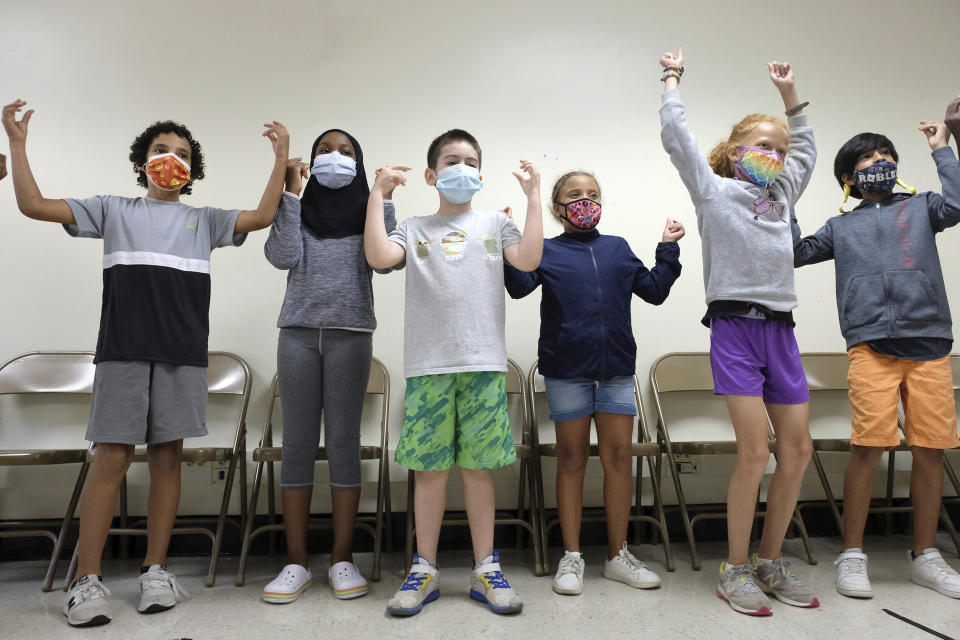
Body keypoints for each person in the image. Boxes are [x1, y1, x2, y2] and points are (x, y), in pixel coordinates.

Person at [2, 98, 289, 627]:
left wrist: (280, 160)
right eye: (160, 150)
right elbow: (34, 205)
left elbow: (263, 216)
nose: (170, 160)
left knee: (167, 458)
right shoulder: (113, 210)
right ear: (142, 162)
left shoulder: (204, 220)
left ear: (192, 171)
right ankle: (85, 579)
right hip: (123, 351)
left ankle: (155, 571)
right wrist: (18, 146)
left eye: (181, 154)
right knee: (110, 456)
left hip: (181, 354)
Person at [658, 51, 819, 615]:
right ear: (733, 153)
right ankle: (735, 569)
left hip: (782, 331)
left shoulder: (781, 197)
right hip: (734, 329)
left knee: (796, 451)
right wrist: (672, 79)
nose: (774, 155)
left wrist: (790, 95)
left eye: (779, 148)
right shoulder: (713, 191)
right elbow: (677, 138)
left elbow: (808, 151)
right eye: (762, 145)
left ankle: (772, 560)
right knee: (756, 452)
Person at [364, 128, 543, 616]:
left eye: (469, 161)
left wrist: (532, 198)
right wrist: (378, 196)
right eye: (450, 160)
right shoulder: (416, 226)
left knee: (480, 471)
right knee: (430, 473)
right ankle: (424, 568)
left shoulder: (493, 222)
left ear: (480, 175)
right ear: (431, 174)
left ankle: (486, 568)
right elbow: (379, 256)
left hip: (483, 364)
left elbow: (529, 259)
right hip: (429, 367)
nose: (460, 168)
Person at [793, 107, 960, 600]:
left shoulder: (923, 206)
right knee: (868, 447)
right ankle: (852, 554)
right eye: (868, 159)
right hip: (870, 344)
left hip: (929, 344)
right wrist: (785, 193)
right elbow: (793, 251)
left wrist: (942, 150)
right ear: (849, 177)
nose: (879, 163)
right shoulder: (841, 227)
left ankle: (926, 555)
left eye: (886, 155)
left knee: (930, 450)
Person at [504, 170, 683, 595]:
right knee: (571, 460)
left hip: (617, 370)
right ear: (557, 207)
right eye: (574, 194)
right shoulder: (545, 250)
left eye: (593, 194)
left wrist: (668, 248)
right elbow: (518, 287)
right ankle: (571, 555)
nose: (585, 200)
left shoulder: (618, 248)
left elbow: (655, 291)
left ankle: (618, 554)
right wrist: (507, 245)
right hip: (567, 370)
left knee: (620, 458)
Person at [261, 129, 396, 603]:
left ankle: (342, 559)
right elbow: (282, 256)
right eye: (324, 150)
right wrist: (290, 195)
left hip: (352, 333)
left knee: (343, 442)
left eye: (345, 152)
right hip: (297, 333)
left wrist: (383, 198)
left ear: (360, 164)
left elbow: (385, 264)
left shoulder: (371, 208)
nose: (334, 158)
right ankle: (295, 562)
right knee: (296, 444)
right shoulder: (295, 203)